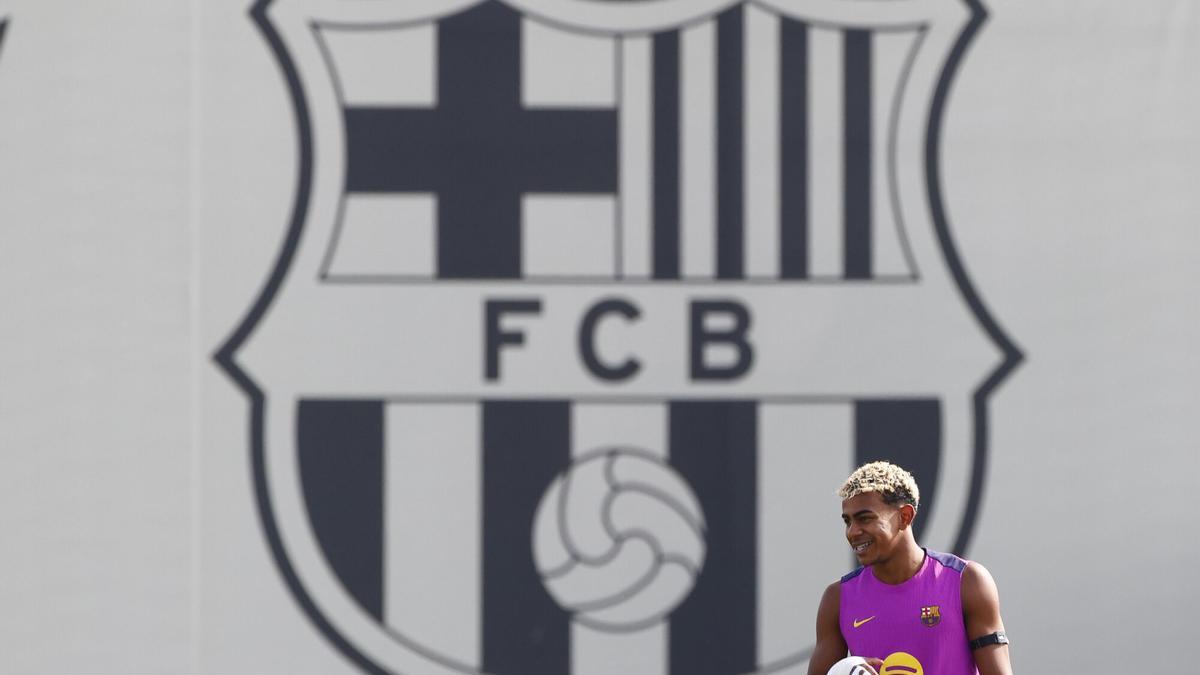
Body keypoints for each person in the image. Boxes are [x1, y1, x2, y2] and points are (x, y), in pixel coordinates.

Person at [806, 461, 1013, 675]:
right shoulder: (837, 599)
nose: (853, 532)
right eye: (847, 521)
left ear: (905, 516)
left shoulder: (967, 581)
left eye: (865, 518)